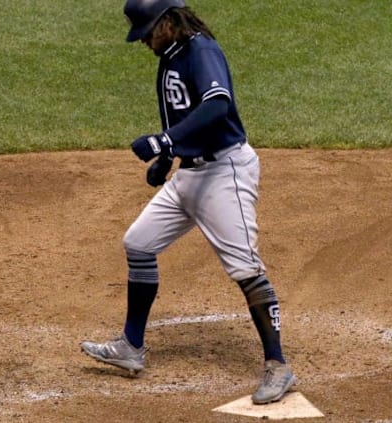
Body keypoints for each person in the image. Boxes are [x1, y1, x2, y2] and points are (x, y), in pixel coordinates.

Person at [80, 0, 296, 404]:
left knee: (246, 268)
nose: (143, 38)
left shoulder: (201, 52)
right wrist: (168, 157)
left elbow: (217, 105)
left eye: (147, 29)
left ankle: (278, 365)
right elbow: (182, 113)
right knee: (139, 244)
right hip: (191, 174)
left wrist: (162, 142)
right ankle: (131, 346)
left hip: (224, 173)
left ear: (168, 21)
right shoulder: (171, 55)